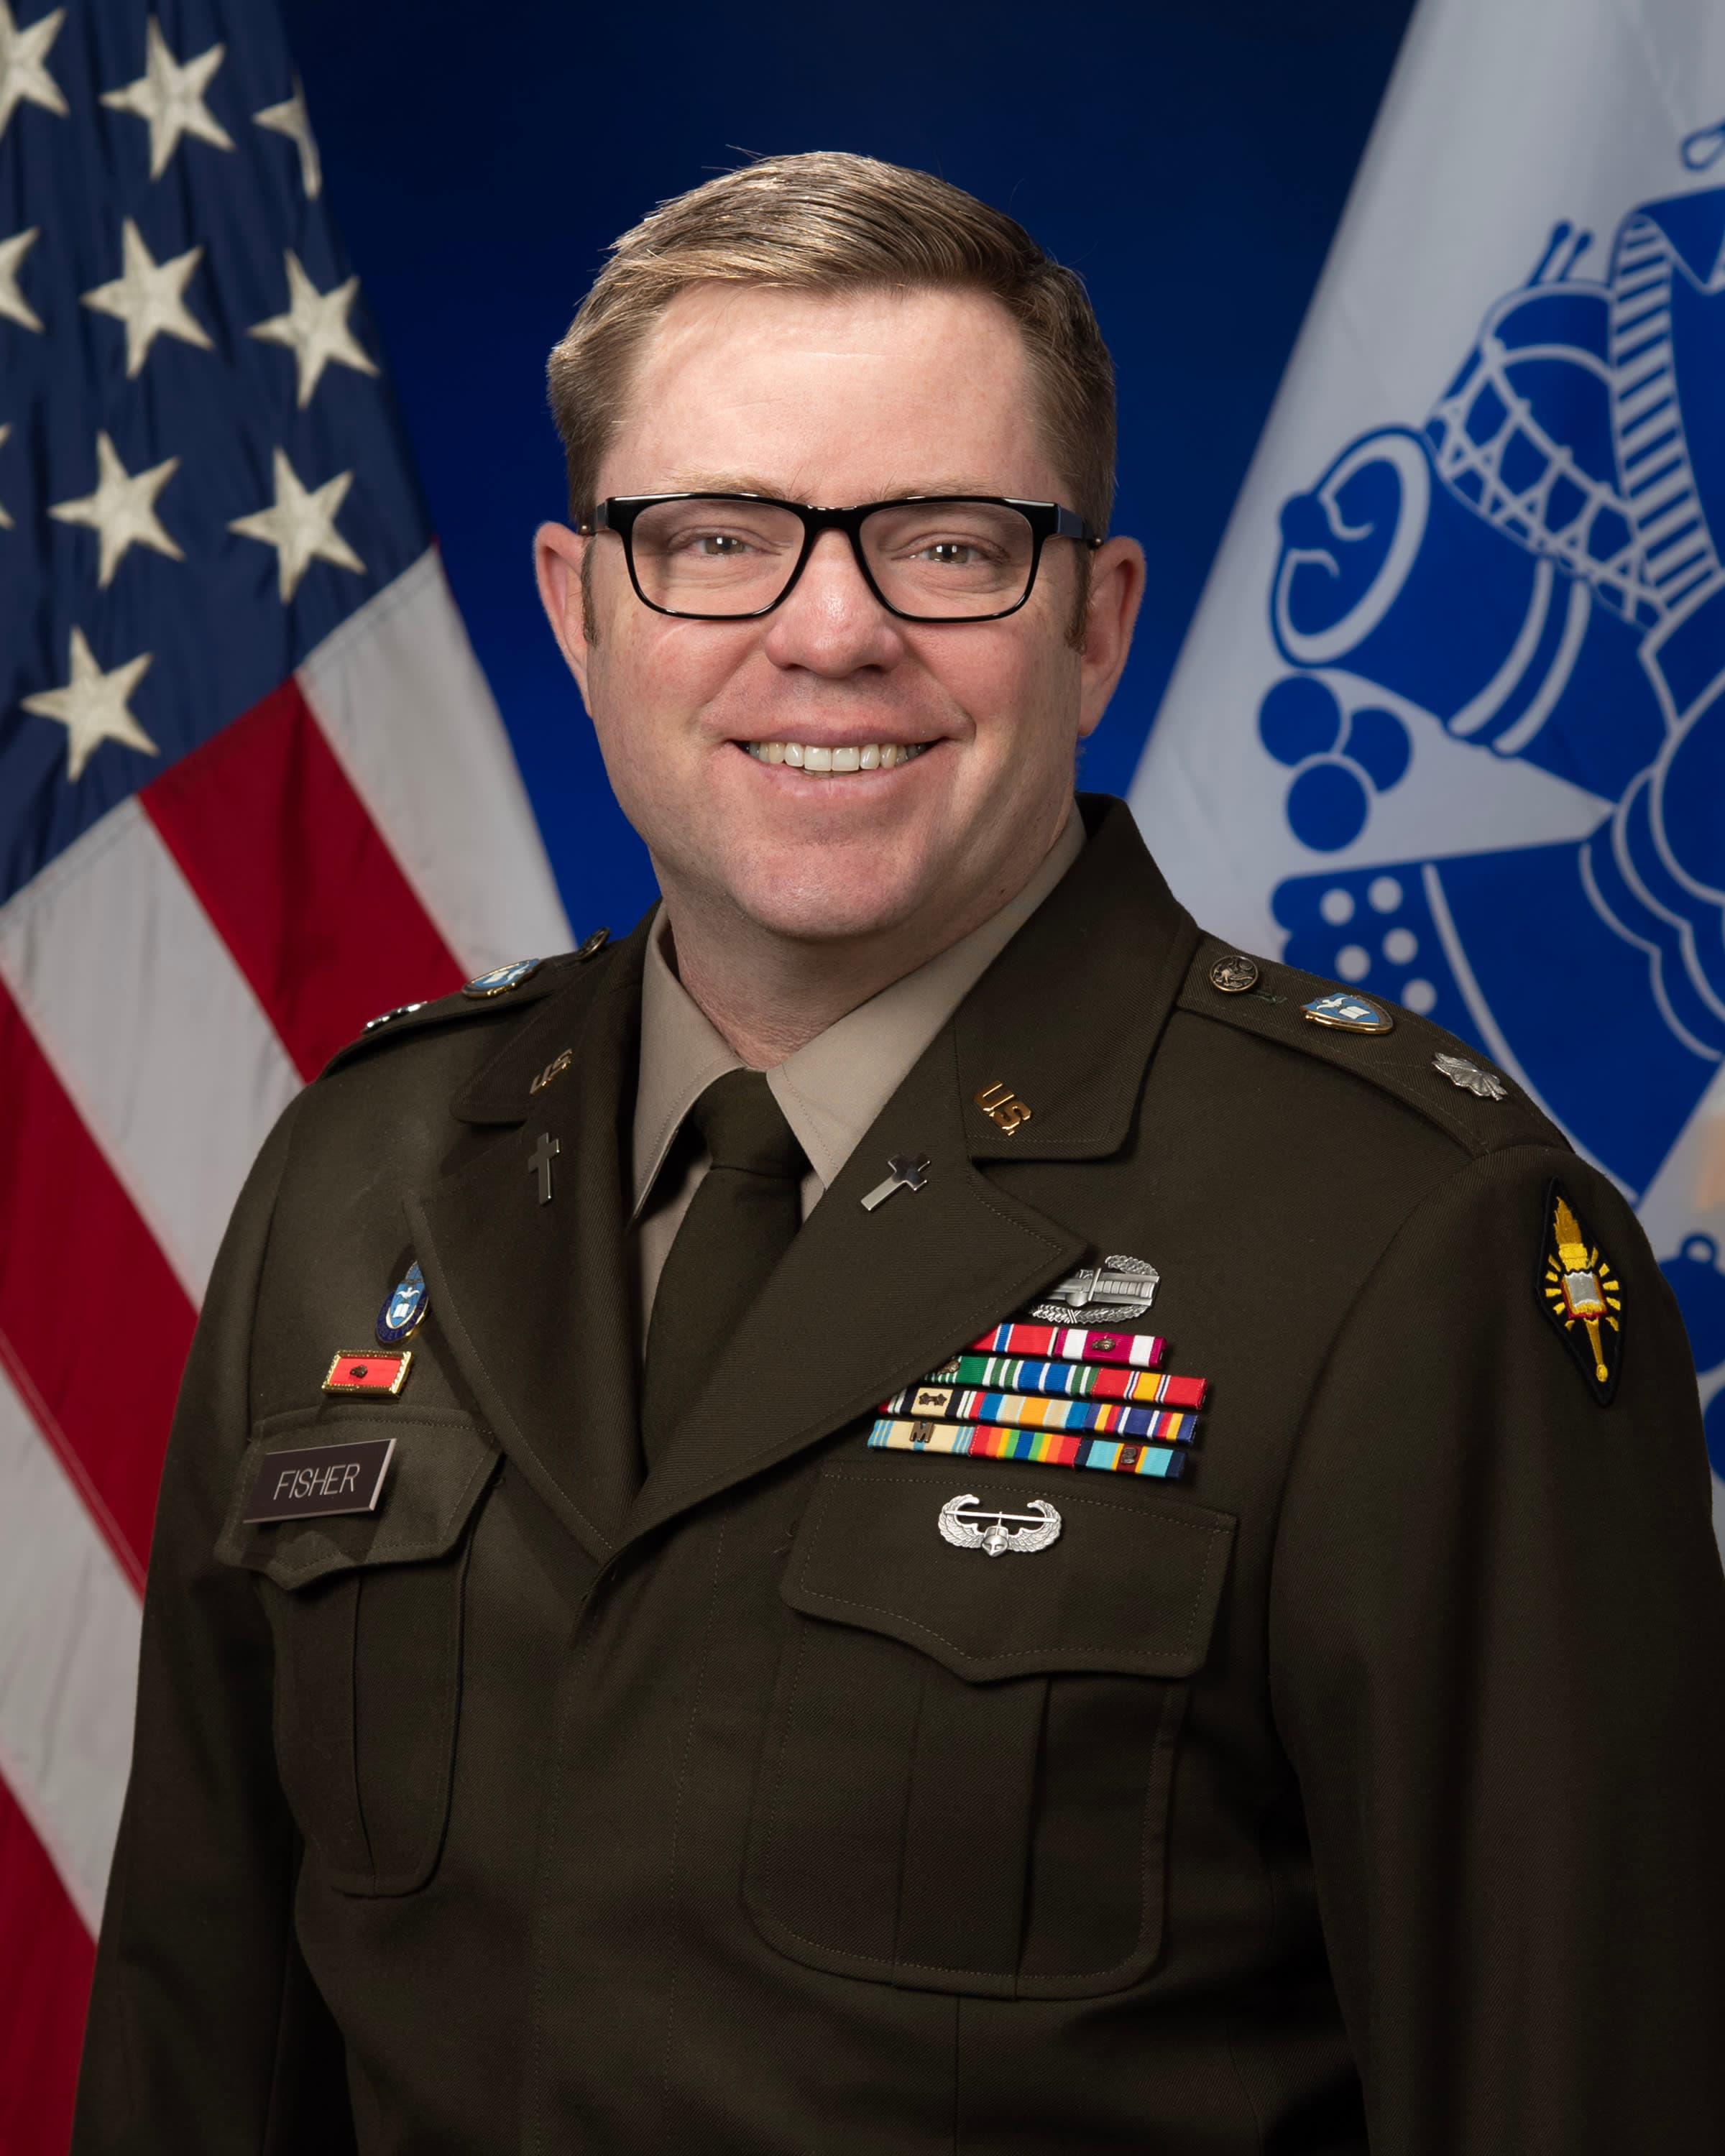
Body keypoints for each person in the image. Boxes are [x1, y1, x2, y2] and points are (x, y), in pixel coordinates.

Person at [74, 152, 1725, 2155]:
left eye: (947, 546)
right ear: (578, 608)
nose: (830, 633)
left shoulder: (1414, 1243)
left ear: (1094, 624)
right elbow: (197, 2060)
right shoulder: (358, 1173)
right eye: (712, 539)